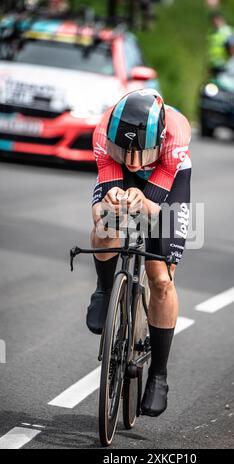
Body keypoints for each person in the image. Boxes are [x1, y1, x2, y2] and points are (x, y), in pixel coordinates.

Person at [87, 89, 192, 417]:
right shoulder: (103, 136)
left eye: (140, 151)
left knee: (160, 278)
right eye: (125, 150)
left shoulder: (176, 136)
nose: (133, 160)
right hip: (119, 174)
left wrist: (141, 200)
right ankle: (104, 291)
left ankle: (159, 375)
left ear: (158, 140)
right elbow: (98, 215)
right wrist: (112, 201)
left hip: (169, 179)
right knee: (108, 224)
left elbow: (156, 211)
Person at [207, 12, 234, 77]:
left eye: (217, 20)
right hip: (214, 65)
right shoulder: (213, 32)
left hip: (224, 65)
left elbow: (232, 48)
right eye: (213, 21)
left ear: (222, 20)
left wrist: (233, 64)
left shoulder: (227, 31)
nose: (215, 23)